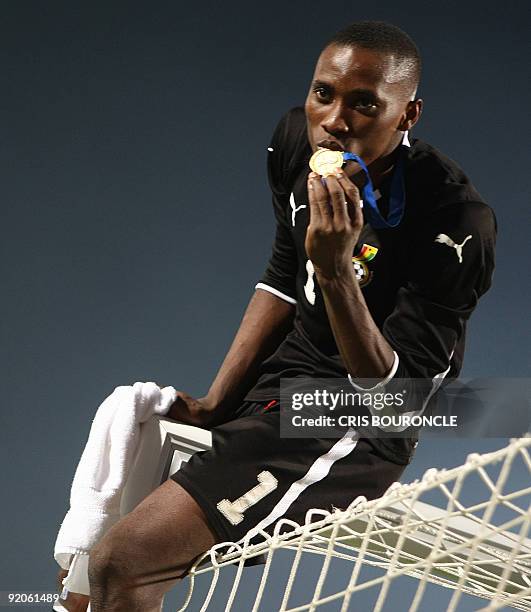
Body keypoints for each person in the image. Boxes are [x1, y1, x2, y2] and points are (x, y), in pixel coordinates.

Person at [59, 20, 496, 611]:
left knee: (124, 562)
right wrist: (218, 400)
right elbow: (281, 278)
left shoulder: (456, 220)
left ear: (408, 115)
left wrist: (338, 270)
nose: (335, 121)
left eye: (365, 104)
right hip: (278, 384)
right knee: (86, 578)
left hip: (354, 418)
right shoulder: (296, 143)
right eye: (324, 94)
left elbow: (397, 402)